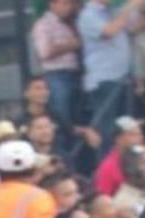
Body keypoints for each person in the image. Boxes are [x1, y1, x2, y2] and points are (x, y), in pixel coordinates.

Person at [79, 0, 145, 152]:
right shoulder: (87, 15)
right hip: (103, 80)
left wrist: (142, 7)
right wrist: (130, 6)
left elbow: (132, 28)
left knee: (127, 126)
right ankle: (106, 168)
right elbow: (109, 31)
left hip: (123, 77)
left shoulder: (113, 11)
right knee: (106, 130)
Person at [33, 0, 83, 130]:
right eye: (65, 3)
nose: (69, 7)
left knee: (77, 113)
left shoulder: (71, 23)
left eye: (70, 4)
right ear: (53, 4)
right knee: (61, 112)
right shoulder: (44, 25)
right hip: (57, 75)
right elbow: (44, 52)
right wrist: (70, 46)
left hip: (75, 73)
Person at [93, 114, 144, 195]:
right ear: (118, 139)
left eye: (139, 134)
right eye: (132, 134)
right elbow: (103, 199)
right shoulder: (108, 168)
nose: (139, 138)